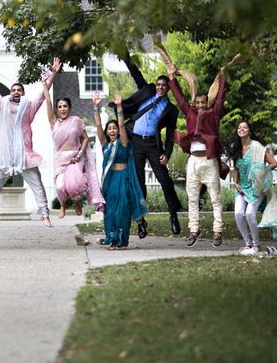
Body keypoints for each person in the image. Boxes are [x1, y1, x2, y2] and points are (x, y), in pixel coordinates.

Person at [0, 56, 61, 230]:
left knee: (37, 184)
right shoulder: (3, 105)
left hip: (24, 154)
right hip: (5, 153)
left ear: (23, 93)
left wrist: (53, 74)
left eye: (19, 90)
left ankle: (45, 215)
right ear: (10, 93)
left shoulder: (29, 107)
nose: (16, 91)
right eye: (14, 89)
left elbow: (43, 93)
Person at [113, 52, 182, 234]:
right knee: (139, 182)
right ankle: (140, 220)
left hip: (152, 145)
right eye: (158, 84)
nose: (160, 87)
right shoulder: (148, 92)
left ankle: (173, 214)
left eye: (163, 85)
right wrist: (125, 55)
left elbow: (169, 136)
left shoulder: (171, 110)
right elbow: (137, 75)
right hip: (135, 142)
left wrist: (166, 154)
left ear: (167, 88)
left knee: (164, 180)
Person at [166, 59, 232, 248]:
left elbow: (220, 97)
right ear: (195, 103)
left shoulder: (214, 113)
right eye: (198, 102)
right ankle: (193, 230)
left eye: (204, 102)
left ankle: (217, 231)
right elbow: (179, 98)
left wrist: (223, 75)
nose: (201, 105)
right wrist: (171, 77)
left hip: (209, 160)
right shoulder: (190, 113)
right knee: (192, 198)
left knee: (215, 198)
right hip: (193, 162)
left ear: (207, 103)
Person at [93, 92, 147, 250]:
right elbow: (97, 126)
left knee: (123, 209)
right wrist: (96, 106)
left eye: (114, 128)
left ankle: (123, 241)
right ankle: (111, 239)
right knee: (110, 211)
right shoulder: (105, 145)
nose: (112, 130)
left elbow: (122, 125)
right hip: (110, 181)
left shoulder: (123, 143)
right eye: (109, 128)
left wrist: (118, 107)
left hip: (123, 178)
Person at [42, 85, 105, 218]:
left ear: (69, 108)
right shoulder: (53, 122)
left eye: (65, 106)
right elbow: (48, 101)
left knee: (75, 184)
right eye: (59, 107)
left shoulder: (76, 121)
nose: (62, 109)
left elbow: (86, 138)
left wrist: (80, 154)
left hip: (76, 157)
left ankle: (77, 201)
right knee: (59, 186)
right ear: (57, 110)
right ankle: (63, 205)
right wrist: (45, 84)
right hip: (60, 160)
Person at [229, 120, 277, 256]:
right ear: (237, 131)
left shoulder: (257, 147)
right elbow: (236, 168)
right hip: (241, 188)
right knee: (238, 214)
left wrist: (261, 172)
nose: (242, 129)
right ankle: (247, 244)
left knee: (250, 214)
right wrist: (236, 183)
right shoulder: (236, 147)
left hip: (257, 187)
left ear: (249, 131)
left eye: (245, 127)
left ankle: (256, 245)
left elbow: (273, 163)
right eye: (239, 127)